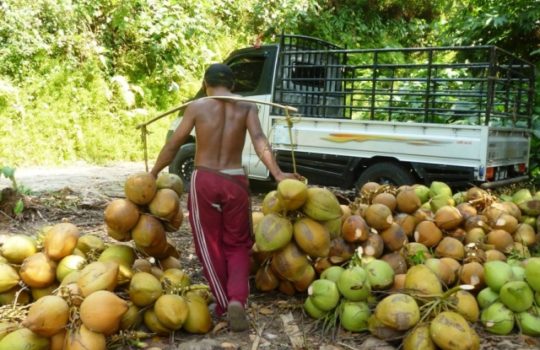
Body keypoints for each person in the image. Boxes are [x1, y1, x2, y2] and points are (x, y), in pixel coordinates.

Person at [150, 63, 302, 332]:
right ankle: (238, 300)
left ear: (206, 84)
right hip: (235, 180)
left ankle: (223, 303)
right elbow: (259, 139)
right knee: (238, 243)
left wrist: (153, 173)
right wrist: (277, 174)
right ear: (232, 85)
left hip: (206, 179)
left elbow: (174, 144)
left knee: (210, 245)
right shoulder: (247, 107)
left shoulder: (197, 107)